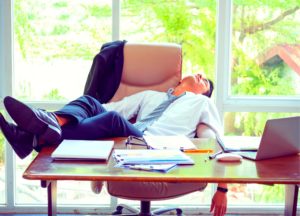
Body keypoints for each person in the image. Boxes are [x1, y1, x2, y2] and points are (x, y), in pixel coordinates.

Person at [0, 73, 227, 215]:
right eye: (199, 73)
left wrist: (222, 188)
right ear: (179, 79)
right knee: (90, 102)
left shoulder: (202, 104)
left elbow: (216, 140)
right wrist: (84, 111)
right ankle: (50, 124)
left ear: (205, 93)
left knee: (112, 121)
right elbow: (112, 109)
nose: (200, 76)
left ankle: (30, 137)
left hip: (156, 147)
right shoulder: (151, 96)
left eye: (205, 81)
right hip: (134, 139)